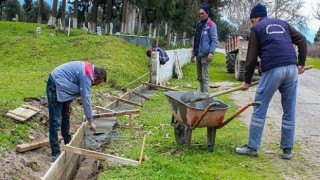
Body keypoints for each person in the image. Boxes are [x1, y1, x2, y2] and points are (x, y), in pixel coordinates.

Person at [235, 3, 307, 159]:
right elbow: (302, 39)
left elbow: (252, 57)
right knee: (289, 110)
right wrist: (301, 63)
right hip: (291, 69)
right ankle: (287, 150)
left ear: (256, 18)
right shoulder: (283, 23)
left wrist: (246, 81)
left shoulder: (257, 28)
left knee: (259, 107)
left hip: (273, 69)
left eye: (252, 21)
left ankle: (252, 147)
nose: (252, 24)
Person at [46, 61, 107, 162]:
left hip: (63, 85)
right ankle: (55, 153)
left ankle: (68, 144)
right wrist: (90, 121)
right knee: (56, 120)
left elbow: (72, 83)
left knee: (66, 117)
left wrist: (68, 102)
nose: (95, 85)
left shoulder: (89, 71)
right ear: (96, 77)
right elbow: (85, 98)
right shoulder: (87, 76)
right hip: (55, 84)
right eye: (98, 83)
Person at [191, 4, 218, 94]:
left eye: (202, 13)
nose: (201, 15)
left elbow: (214, 40)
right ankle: (201, 95)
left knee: (205, 76)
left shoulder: (211, 25)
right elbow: (196, 39)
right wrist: (193, 53)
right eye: (199, 14)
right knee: (200, 77)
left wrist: (211, 53)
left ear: (207, 13)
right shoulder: (198, 25)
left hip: (206, 55)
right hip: (198, 54)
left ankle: (206, 97)